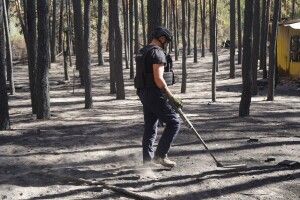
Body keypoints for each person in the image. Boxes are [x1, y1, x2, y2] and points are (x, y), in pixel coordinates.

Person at [135, 27, 182, 168]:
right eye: (166, 41)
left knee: (150, 126)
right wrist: (171, 96)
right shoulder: (157, 53)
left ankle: (147, 161)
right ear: (161, 38)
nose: (166, 44)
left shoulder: (144, 51)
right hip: (154, 93)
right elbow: (159, 79)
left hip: (143, 92)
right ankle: (160, 156)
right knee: (174, 122)